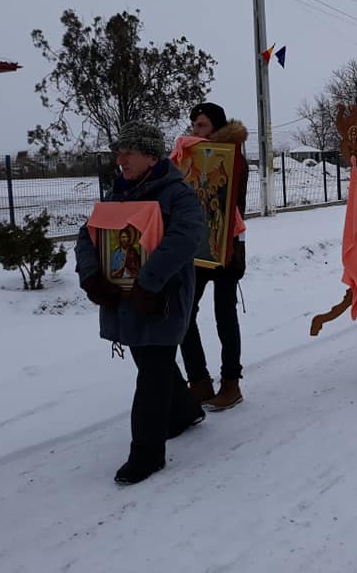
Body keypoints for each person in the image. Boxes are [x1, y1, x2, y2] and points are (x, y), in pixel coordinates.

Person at [76, 121, 205, 485]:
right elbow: (87, 236)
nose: (120, 159)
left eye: (127, 152)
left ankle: (146, 455)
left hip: (161, 299)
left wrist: (148, 283)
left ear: (151, 156)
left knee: (152, 369)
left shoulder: (177, 193)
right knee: (152, 361)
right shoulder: (117, 195)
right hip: (124, 300)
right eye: (119, 152)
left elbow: (187, 237)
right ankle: (183, 412)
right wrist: (91, 276)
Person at [179, 102, 250, 410]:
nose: (197, 131)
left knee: (224, 315)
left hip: (226, 246)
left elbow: (228, 203)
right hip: (196, 249)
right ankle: (199, 381)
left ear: (217, 128)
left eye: (203, 126)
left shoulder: (233, 158)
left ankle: (231, 383)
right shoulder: (188, 158)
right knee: (184, 315)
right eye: (194, 126)